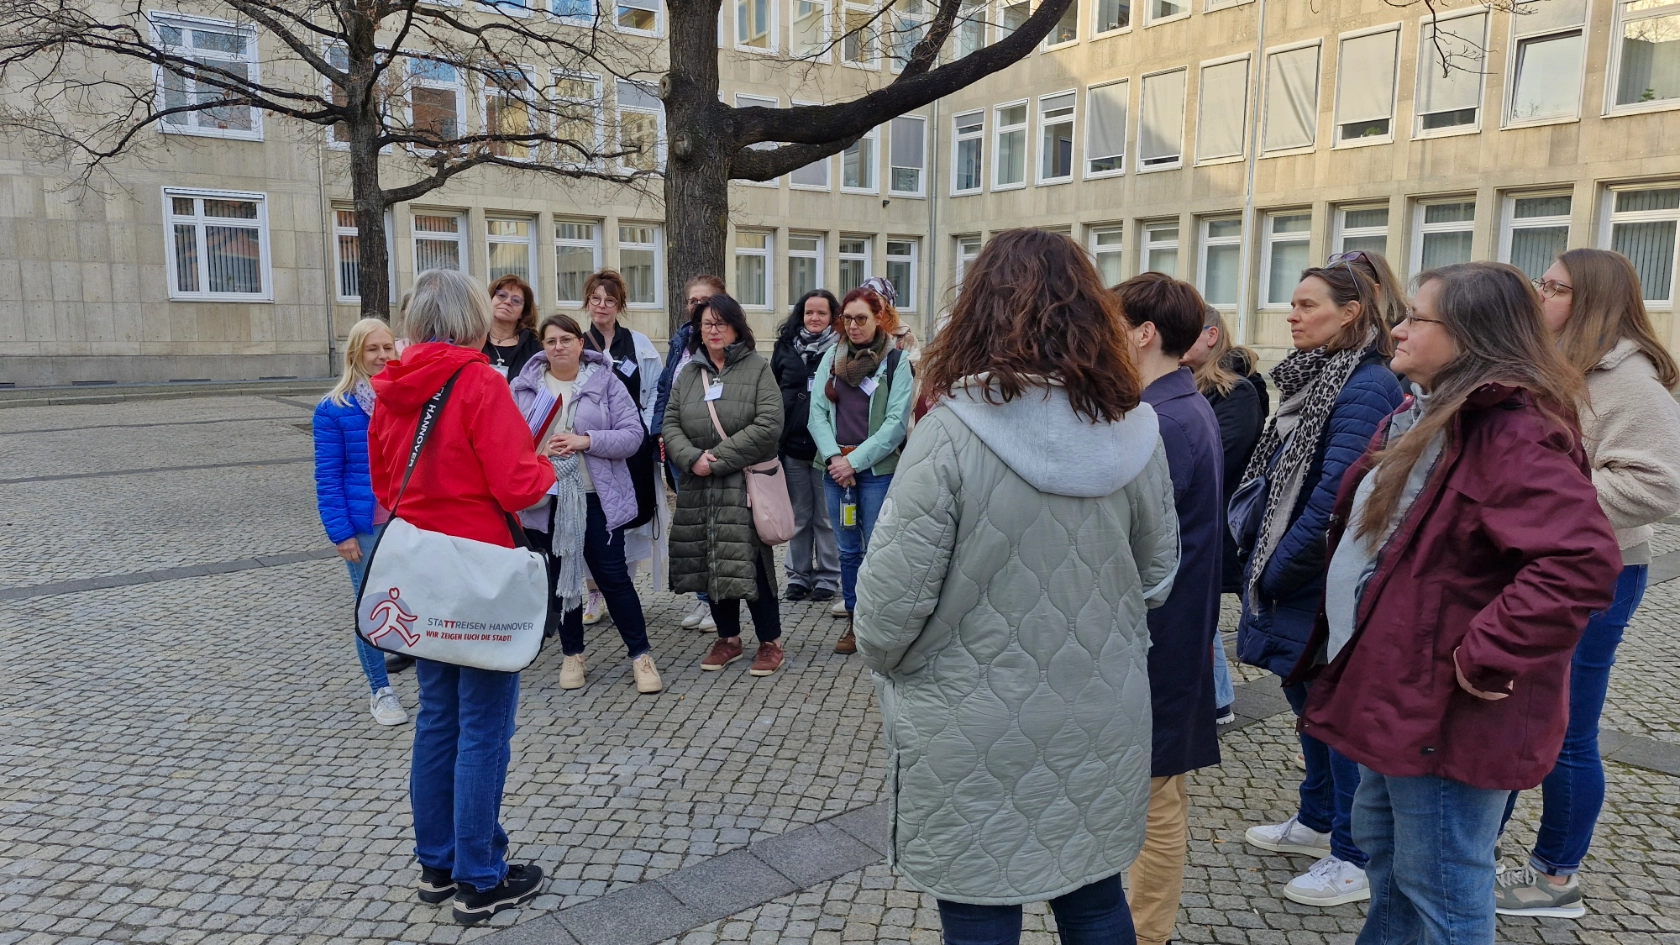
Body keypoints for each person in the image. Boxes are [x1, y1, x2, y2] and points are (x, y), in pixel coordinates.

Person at [853, 228, 1178, 945]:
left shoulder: (949, 434)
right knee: (1094, 899)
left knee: (978, 909)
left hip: (971, 720)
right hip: (1099, 709)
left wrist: (906, 668)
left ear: (978, 311)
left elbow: (883, 614)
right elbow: (1158, 574)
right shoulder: (1136, 431)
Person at [1291, 261, 1620, 945]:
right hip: (1399, 688)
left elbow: (1579, 561)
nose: (1400, 328)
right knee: (1388, 852)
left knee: (1443, 882)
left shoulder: (1513, 429)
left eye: (1418, 317)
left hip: (1446, 705)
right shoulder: (1431, 410)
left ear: (1470, 334)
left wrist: (1487, 651)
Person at [1494, 249, 1680, 918]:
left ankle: (1555, 876)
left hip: (1601, 575)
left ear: (1594, 300)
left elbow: (1660, 483)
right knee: (1518, 714)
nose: (1540, 293)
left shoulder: (1626, 377)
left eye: (1555, 286)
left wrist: (1547, 501)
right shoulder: (1561, 361)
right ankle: (1484, 845)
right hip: (1549, 568)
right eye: (1542, 282)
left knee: (1570, 730)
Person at [367, 268, 557, 924]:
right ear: (471, 317)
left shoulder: (388, 383)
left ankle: (437, 862)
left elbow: (384, 487)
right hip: (479, 573)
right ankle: (480, 875)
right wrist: (545, 464)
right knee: (483, 724)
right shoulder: (477, 379)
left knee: (437, 718)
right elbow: (517, 484)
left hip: (423, 573)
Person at [1236, 262, 1403, 907]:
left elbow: (1336, 500)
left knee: (1333, 716)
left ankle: (1354, 855)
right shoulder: (1319, 378)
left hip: (1318, 579)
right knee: (1310, 709)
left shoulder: (1364, 386)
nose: (1293, 316)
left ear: (1352, 312)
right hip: (1301, 578)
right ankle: (1317, 819)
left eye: (1308, 305)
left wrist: (1273, 572)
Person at [1115, 274, 1224, 945]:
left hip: (1160, 635)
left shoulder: (1163, 419)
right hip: (1172, 630)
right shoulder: (1175, 405)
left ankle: (1142, 933)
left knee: (1154, 796)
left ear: (1144, 331)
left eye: (1112, 322)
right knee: (1161, 788)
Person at [510, 314, 662, 695]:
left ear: (581, 343)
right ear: (542, 346)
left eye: (566, 339)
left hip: (598, 498)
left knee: (613, 578)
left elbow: (632, 436)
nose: (558, 347)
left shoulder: (605, 381)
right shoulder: (523, 387)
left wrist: (586, 441)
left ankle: (641, 655)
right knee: (564, 580)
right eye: (550, 341)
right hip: (548, 500)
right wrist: (538, 449)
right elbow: (508, 443)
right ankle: (572, 653)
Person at [663, 294, 787, 676]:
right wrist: (691, 458)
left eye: (720, 323)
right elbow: (670, 423)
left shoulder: (756, 368)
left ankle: (770, 642)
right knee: (709, 559)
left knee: (750, 561)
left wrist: (716, 459)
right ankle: (728, 638)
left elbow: (769, 424)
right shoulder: (689, 373)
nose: (712, 331)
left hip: (742, 481)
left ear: (736, 326)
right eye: (705, 324)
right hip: (699, 483)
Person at [313, 316, 411, 727]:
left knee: (411, 601)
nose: (382, 356)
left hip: (408, 519)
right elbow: (328, 476)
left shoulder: (406, 398)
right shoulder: (334, 408)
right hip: (365, 525)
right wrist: (341, 533)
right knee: (372, 608)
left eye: (388, 348)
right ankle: (381, 691)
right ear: (356, 353)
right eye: (373, 349)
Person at [807, 285, 915, 653]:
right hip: (836, 472)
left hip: (876, 472)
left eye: (861, 319)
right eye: (848, 319)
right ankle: (854, 621)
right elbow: (817, 414)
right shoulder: (831, 357)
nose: (853, 326)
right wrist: (837, 459)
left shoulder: (896, 361)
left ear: (878, 319)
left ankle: (880, 622)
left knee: (878, 549)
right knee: (847, 550)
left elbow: (896, 424)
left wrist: (853, 461)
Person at [1180, 306, 1264, 724]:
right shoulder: (1188, 385)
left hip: (1216, 522)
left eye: (1187, 332)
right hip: (1199, 518)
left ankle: (1217, 702)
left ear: (1211, 336)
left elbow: (1220, 459)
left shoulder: (1237, 391)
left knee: (1202, 613)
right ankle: (1214, 700)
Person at [579, 269, 668, 624]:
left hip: (631, 449)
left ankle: (622, 588)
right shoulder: (576, 342)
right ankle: (593, 593)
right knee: (590, 520)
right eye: (596, 299)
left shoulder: (639, 345)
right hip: (592, 449)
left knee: (629, 520)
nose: (602, 306)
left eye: (609, 300)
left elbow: (655, 391)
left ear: (619, 305)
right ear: (587, 302)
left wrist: (641, 432)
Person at [655, 274, 726, 633]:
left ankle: (720, 605)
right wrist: (659, 435)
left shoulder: (727, 341)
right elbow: (666, 389)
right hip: (682, 450)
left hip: (716, 452)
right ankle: (702, 599)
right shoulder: (681, 339)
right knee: (693, 529)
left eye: (705, 300)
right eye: (692, 301)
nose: (696, 306)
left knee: (717, 530)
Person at [771, 289, 843, 603]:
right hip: (792, 445)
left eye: (821, 313)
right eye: (809, 312)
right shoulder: (785, 347)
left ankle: (828, 577)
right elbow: (772, 392)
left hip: (827, 449)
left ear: (832, 317)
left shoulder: (842, 349)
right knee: (798, 516)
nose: (814, 318)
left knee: (826, 517)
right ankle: (798, 577)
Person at [481, 274, 543, 380]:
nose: (507, 302)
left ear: (523, 313)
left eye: (516, 301)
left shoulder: (535, 344)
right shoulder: (472, 337)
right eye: (501, 295)